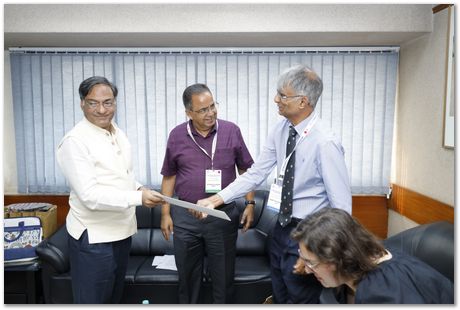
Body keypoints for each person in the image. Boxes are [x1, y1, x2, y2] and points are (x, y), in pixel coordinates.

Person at [197, 64, 352, 303]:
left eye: (282, 95)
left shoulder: (325, 142)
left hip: (310, 232)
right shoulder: (281, 130)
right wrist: (216, 199)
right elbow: (255, 173)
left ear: (303, 102)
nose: (275, 99)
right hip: (280, 227)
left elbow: (341, 209)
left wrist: (320, 254)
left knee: (302, 297)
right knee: (280, 293)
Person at [56, 76, 164, 304]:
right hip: (94, 239)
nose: (102, 109)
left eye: (108, 102)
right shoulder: (74, 141)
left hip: (121, 233)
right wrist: (138, 197)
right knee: (92, 302)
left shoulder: (117, 132)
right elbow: (90, 196)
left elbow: (122, 175)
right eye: (93, 103)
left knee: (114, 299)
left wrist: (139, 187)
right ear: (82, 104)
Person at [160, 83, 255, 303]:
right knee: (187, 278)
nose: (210, 112)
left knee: (223, 279)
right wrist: (165, 213)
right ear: (189, 113)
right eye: (203, 109)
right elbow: (169, 176)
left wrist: (250, 204)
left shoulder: (231, 130)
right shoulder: (176, 135)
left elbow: (246, 170)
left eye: (213, 106)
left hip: (221, 215)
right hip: (186, 215)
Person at [291, 207, 454, 304]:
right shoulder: (370, 260)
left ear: (336, 258)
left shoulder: (381, 292)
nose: (307, 269)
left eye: (310, 262)